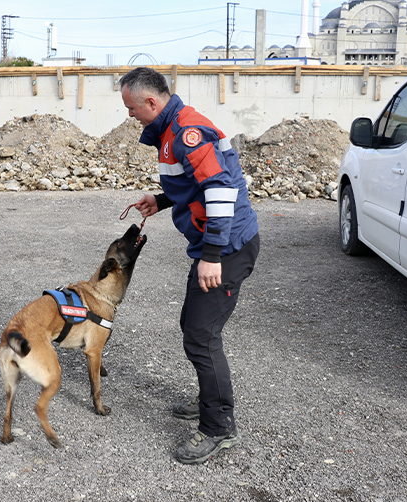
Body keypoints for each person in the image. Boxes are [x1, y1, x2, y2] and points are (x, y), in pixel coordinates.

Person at [120, 67, 260, 464]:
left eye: (131, 107)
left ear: (151, 101)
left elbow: (219, 189)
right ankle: (210, 403)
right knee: (195, 328)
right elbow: (196, 182)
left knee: (201, 335)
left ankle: (219, 428)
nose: (130, 115)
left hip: (227, 248)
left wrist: (212, 255)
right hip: (213, 246)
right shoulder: (171, 131)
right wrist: (162, 200)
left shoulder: (186, 131)